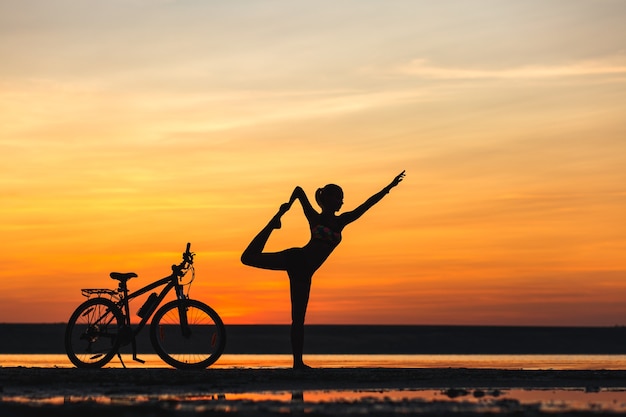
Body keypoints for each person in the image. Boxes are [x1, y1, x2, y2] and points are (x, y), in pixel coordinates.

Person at [241, 170, 405, 369]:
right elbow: (299, 191)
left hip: (305, 272)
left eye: (342, 198)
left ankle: (297, 363)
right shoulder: (314, 217)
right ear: (326, 198)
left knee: (298, 318)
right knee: (248, 258)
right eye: (338, 197)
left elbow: (367, 205)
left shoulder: (341, 221)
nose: (341, 201)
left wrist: (389, 187)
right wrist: (283, 211)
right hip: (296, 259)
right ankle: (271, 225)